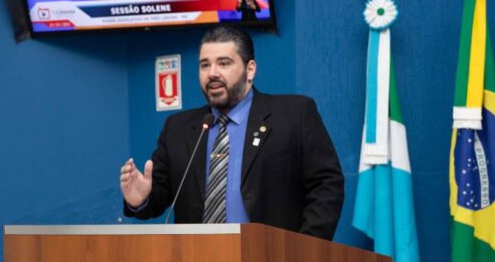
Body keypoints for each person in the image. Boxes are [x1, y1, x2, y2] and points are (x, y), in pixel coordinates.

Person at [120, 26, 344, 240]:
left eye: (224, 63)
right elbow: (159, 197)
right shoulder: (177, 128)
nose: (212, 73)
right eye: (205, 65)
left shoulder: (294, 115)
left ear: (250, 69)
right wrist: (141, 199)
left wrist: (304, 250)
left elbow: (327, 185)